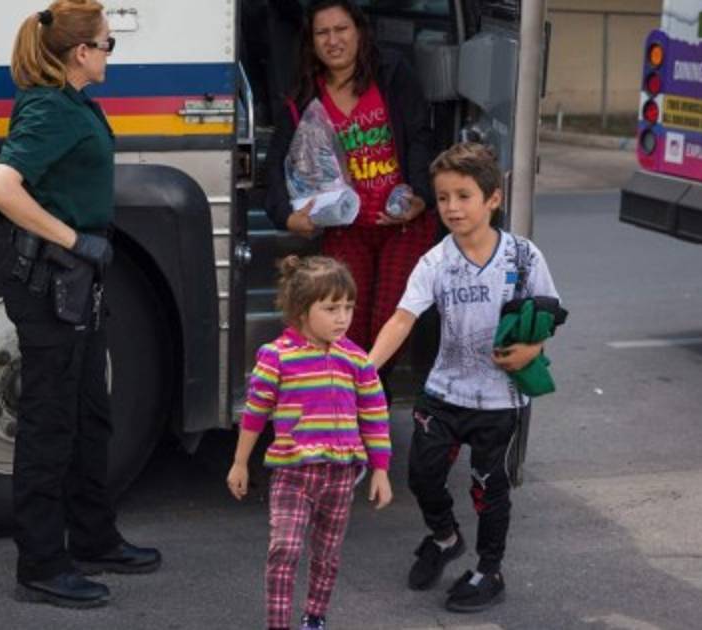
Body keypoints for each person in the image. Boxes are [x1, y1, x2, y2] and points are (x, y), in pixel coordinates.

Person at [0, 0, 160, 610]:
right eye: (107, 44)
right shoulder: (50, 108)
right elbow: (1, 188)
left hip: (77, 284)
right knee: (49, 425)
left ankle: (92, 537)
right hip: (51, 284)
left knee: (90, 416)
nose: (111, 53)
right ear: (81, 52)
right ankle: (40, 565)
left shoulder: (73, 102)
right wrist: (74, 241)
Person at [367, 143, 561, 612]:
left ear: (493, 198)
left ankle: (489, 570)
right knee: (422, 476)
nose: (452, 207)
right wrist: (363, 370)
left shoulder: (523, 257)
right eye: (443, 197)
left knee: (488, 488)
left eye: (463, 196)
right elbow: (402, 319)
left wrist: (533, 349)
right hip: (443, 393)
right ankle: (445, 537)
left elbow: (550, 313)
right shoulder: (435, 262)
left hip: (500, 401)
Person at [264, 0, 439, 362]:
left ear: (359, 32)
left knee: (388, 322)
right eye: (322, 33)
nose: (333, 41)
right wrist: (286, 216)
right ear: (311, 42)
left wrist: (421, 197)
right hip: (346, 228)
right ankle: (356, 391)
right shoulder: (304, 96)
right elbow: (277, 161)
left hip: (402, 224)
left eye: (341, 29)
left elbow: (421, 135)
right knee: (346, 326)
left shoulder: (392, 73)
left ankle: (370, 389)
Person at [227, 255, 393, 630]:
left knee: (327, 554)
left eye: (348, 307)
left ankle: (315, 616)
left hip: (341, 476)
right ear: (302, 311)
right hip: (292, 473)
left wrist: (381, 470)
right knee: (284, 548)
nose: (342, 317)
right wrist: (240, 462)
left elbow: (375, 416)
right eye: (331, 308)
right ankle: (278, 624)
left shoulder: (357, 360)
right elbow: (255, 413)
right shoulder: (276, 357)